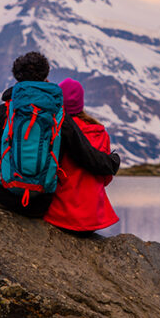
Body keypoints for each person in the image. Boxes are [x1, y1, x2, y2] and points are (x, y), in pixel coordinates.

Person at [0, 51, 120, 218]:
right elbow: (87, 156)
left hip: (1, 194)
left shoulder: (2, 112)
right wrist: (113, 162)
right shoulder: (58, 116)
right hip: (40, 203)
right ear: (46, 77)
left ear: (17, 79)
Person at [43, 78, 119, 233]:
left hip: (60, 215)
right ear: (81, 102)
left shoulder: (55, 129)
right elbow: (105, 178)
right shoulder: (99, 132)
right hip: (92, 218)